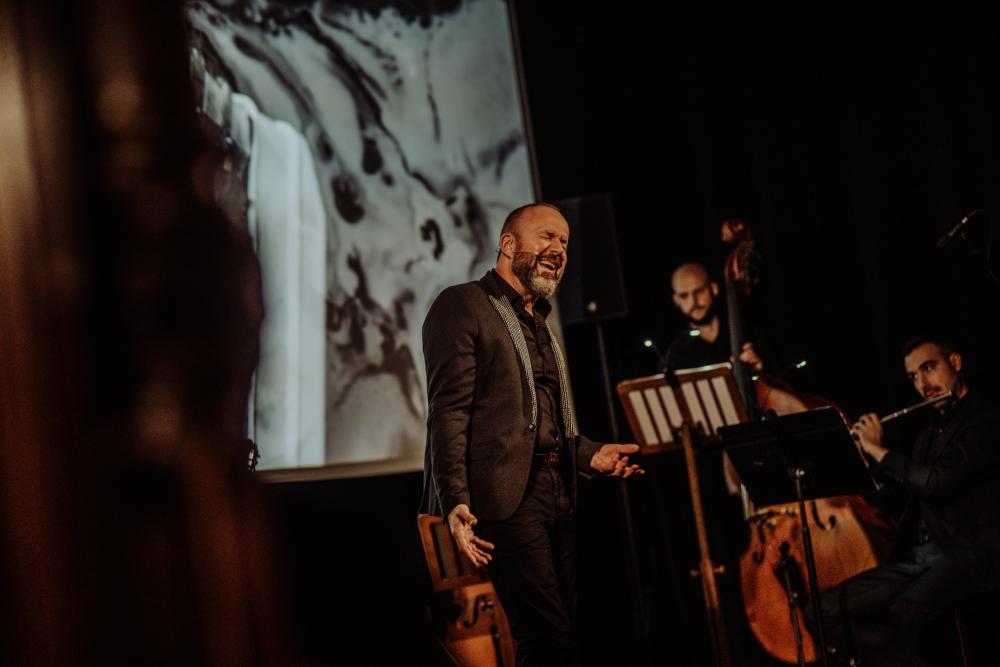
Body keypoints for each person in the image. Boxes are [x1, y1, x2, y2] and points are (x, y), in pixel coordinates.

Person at [419, 202, 642, 665]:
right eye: (547, 236)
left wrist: (591, 455)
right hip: (506, 498)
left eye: (564, 242)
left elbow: (542, 425)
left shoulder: (539, 321)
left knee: (568, 634)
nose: (559, 248)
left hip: (558, 491)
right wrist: (454, 498)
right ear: (508, 244)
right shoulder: (463, 304)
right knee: (547, 636)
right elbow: (448, 412)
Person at [820, 336, 1000, 666]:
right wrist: (864, 462)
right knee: (823, 611)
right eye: (914, 377)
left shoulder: (986, 420)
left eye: (928, 368)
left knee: (902, 616)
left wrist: (879, 450)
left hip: (970, 553)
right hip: (921, 557)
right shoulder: (926, 437)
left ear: (955, 363)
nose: (923, 384)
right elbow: (903, 497)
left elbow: (935, 482)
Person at [665, 262, 763, 374]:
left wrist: (760, 371)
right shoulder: (675, 354)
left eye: (699, 291)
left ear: (714, 288)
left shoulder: (748, 330)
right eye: (684, 296)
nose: (693, 301)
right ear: (676, 300)